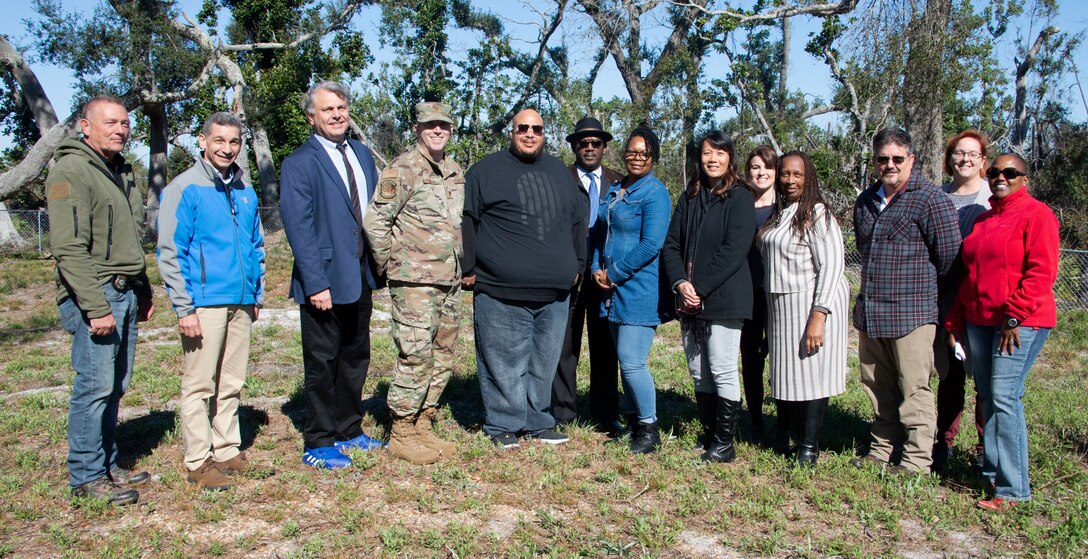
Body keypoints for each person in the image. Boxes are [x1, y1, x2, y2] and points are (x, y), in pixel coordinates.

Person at [46, 95, 154, 505]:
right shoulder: (71, 171)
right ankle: (87, 477)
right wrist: (95, 306)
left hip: (124, 291)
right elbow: (69, 248)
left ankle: (107, 465)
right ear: (85, 126)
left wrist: (142, 290)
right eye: (110, 122)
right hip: (95, 292)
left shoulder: (119, 170)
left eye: (125, 123)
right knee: (94, 387)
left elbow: (128, 240)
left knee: (116, 385)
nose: (120, 129)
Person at [462, 109, 587, 449]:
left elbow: (577, 221)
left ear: (545, 133)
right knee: (503, 362)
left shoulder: (561, 174)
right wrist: (468, 267)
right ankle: (503, 423)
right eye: (523, 128)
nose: (530, 134)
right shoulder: (485, 171)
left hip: (555, 292)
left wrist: (579, 263)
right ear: (512, 132)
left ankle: (537, 421)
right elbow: (469, 220)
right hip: (501, 289)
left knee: (543, 363)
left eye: (537, 129)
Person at [280, 81, 385, 469]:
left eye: (342, 107)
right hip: (323, 277)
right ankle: (320, 439)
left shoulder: (360, 153)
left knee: (356, 356)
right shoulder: (300, 162)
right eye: (328, 109)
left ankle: (349, 429)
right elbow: (299, 227)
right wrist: (315, 282)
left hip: (360, 272)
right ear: (312, 117)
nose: (338, 114)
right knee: (323, 360)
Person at [157, 112, 264, 490]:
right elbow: (171, 251)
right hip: (204, 302)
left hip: (241, 301)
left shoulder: (245, 191)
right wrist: (184, 308)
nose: (227, 148)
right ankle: (198, 460)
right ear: (202, 141)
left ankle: (227, 448)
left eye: (234, 142)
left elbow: (255, 245)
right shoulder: (184, 189)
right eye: (219, 140)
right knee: (199, 384)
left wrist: (256, 292)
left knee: (231, 381)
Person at [946, 154, 1059, 511]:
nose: (1000, 177)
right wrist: (955, 320)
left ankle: (1013, 490)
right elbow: (971, 276)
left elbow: (1041, 272)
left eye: (1010, 172)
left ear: (1025, 178)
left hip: (1019, 323)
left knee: (1005, 397)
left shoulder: (1038, 215)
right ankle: (993, 472)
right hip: (979, 321)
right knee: (991, 396)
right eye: (994, 172)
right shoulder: (984, 220)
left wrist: (1013, 318)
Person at [851, 128, 960, 474]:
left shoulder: (930, 198)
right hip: (871, 313)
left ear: (912, 160)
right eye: (883, 159)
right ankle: (881, 450)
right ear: (874, 161)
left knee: (914, 390)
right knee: (877, 387)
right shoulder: (865, 201)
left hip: (912, 315)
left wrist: (940, 312)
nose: (890, 165)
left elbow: (951, 260)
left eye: (898, 158)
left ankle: (915, 460)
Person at [363, 102, 464, 465]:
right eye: (430, 125)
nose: (438, 130)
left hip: (448, 280)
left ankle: (424, 422)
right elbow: (376, 222)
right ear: (418, 129)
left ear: (451, 129)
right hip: (414, 283)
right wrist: (392, 265)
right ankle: (402, 429)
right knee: (416, 354)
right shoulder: (402, 169)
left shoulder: (453, 170)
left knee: (443, 355)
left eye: (444, 125)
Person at [661, 130, 755, 461]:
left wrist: (698, 287)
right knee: (699, 370)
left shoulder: (741, 197)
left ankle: (725, 442)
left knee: (722, 367)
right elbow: (671, 244)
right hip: (689, 301)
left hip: (724, 299)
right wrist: (680, 284)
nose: (712, 159)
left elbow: (734, 250)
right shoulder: (691, 196)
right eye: (706, 153)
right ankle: (708, 432)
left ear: (730, 157)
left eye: (719, 153)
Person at [758, 151, 849, 466]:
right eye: (785, 174)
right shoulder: (781, 213)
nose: (790, 180)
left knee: (811, 375)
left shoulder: (818, 213)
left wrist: (818, 316)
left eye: (797, 174)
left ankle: (808, 448)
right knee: (788, 374)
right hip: (782, 305)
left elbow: (833, 265)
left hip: (810, 302)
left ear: (808, 177)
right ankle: (790, 434)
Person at [592, 126, 672, 454]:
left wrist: (615, 273)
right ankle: (633, 422)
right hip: (610, 289)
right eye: (632, 152)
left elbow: (652, 244)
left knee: (632, 360)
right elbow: (602, 231)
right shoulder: (616, 187)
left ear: (653, 157)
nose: (637, 158)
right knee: (623, 360)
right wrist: (598, 267)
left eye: (644, 153)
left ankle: (650, 429)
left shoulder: (655, 193)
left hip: (638, 288)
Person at [552, 117, 621, 433]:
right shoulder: (559, 180)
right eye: (583, 143)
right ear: (574, 146)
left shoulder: (619, 183)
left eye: (596, 143)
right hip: (568, 275)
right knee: (565, 346)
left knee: (605, 347)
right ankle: (563, 412)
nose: (590, 148)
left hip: (605, 277)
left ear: (605, 148)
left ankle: (605, 414)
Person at [932, 129, 993, 473]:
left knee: (985, 377)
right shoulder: (939, 196)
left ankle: (986, 446)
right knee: (950, 375)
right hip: (944, 299)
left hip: (980, 301)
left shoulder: (990, 197)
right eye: (958, 153)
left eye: (972, 154)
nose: (965, 159)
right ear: (949, 158)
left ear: (983, 161)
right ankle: (945, 441)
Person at [740, 146, 778, 444]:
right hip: (748, 293)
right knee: (752, 359)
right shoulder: (740, 204)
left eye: (767, 167)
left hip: (778, 294)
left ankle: (783, 420)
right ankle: (755, 420)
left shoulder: (786, 207)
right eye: (755, 167)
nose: (761, 172)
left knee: (780, 357)